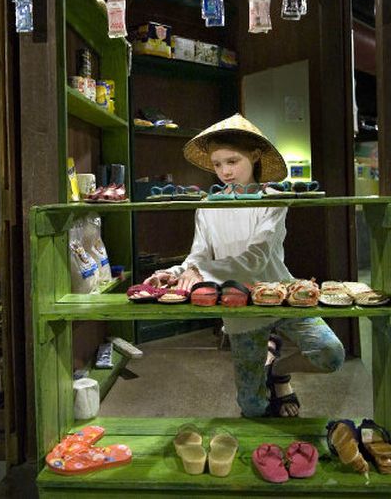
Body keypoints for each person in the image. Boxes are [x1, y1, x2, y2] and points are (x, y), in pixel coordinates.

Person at [144, 113, 345, 417]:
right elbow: (198, 255)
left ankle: (277, 370)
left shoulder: (274, 197)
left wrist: (200, 272)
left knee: (331, 353)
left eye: (232, 161)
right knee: (252, 407)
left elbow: (257, 257)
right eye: (217, 164)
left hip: (282, 292)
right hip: (237, 299)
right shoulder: (208, 205)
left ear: (254, 156)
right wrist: (174, 272)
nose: (225, 171)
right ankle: (265, 381)